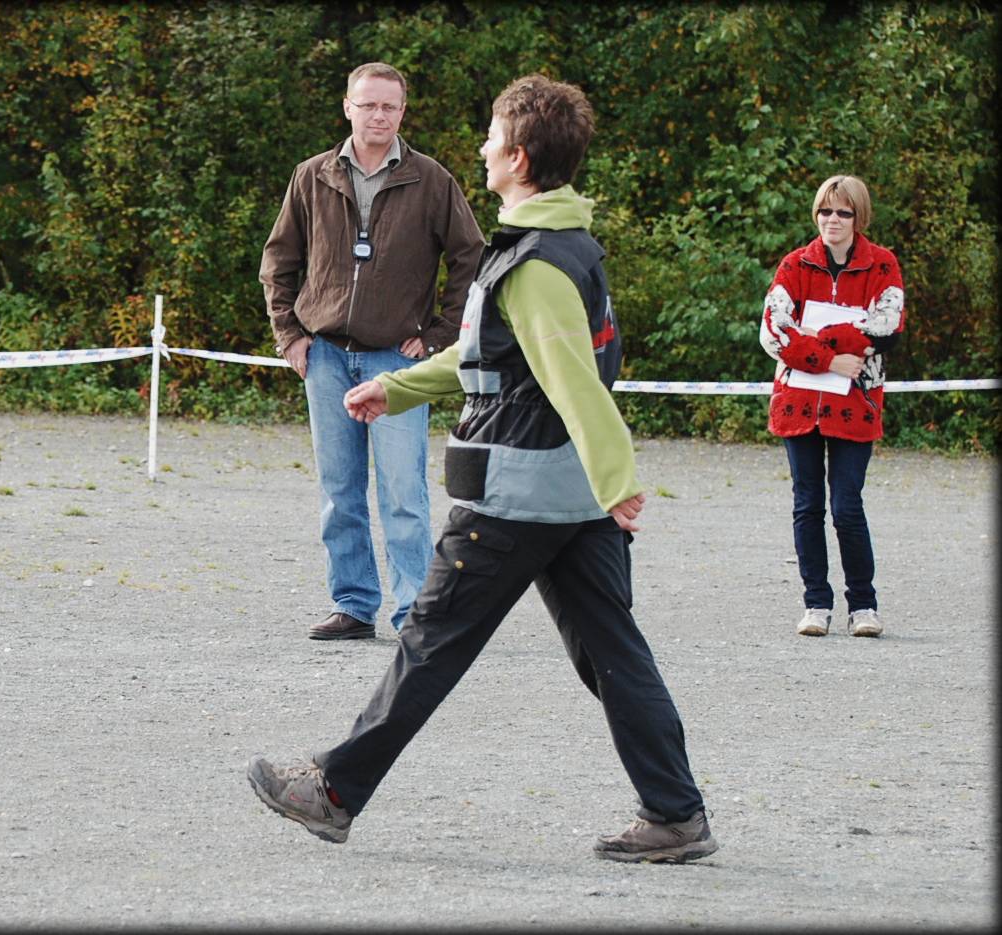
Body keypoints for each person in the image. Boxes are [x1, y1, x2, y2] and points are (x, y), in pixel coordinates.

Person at [247, 74, 718, 864]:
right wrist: (399, 387)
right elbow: (494, 354)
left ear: (520, 158)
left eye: (493, 137)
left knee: (429, 642)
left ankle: (332, 790)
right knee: (614, 652)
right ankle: (675, 813)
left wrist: (621, 480)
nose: (482, 148)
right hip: (566, 496)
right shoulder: (557, 246)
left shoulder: (535, 264)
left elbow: (571, 378)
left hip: (519, 489)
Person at [260, 62, 484, 641]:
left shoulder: (432, 181)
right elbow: (278, 262)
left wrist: (438, 335)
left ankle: (415, 613)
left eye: (389, 106)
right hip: (327, 357)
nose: (378, 115)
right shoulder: (310, 177)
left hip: (397, 360)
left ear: (402, 112)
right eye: (368, 105)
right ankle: (354, 605)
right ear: (348, 108)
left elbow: (471, 259)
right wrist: (291, 335)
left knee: (404, 491)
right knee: (339, 491)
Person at [759, 175, 905, 639]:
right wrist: (828, 357)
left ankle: (863, 604)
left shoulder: (882, 266)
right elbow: (773, 330)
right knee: (807, 505)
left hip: (855, 405)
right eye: (825, 211)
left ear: (858, 217)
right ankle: (815, 603)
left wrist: (829, 343)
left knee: (847, 507)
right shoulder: (794, 264)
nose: (833, 220)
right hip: (798, 404)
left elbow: (887, 326)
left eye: (842, 212)